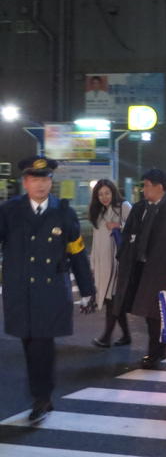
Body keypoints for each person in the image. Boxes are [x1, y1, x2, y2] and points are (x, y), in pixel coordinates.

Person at [0, 156, 95, 424]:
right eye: (35, 179)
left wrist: (87, 289)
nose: (41, 184)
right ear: (25, 182)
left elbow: (77, 252)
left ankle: (42, 398)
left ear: (51, 182)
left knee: (43, 345)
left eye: (45, 179)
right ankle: (41, 394)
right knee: (29, 344)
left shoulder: (63, 211)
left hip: (51, 292)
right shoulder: (9, 210)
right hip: (19, 292)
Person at [113, 168, 166, 369]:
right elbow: (128, 232)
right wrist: (123, 256)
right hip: (138, 265)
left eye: (146, 185)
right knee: (148, 311)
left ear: (159, 187)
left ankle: (155, 352)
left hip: (162, 267)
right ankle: (157, 350)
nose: (143, 189)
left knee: (156, 312)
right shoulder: (140, 208)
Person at [89, 179, 132, 348]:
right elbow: (95, 240)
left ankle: (106, 337)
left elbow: (138, 229)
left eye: (107, 193)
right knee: (113, 300)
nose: (104, 197)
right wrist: (93, 263)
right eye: (100, 194)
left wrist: (119, 225)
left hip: (117, 262)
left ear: (114, 192)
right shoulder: (98, 211)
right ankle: (126, 335)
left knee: (112, 299)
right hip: (102, 263)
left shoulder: (124, 206)